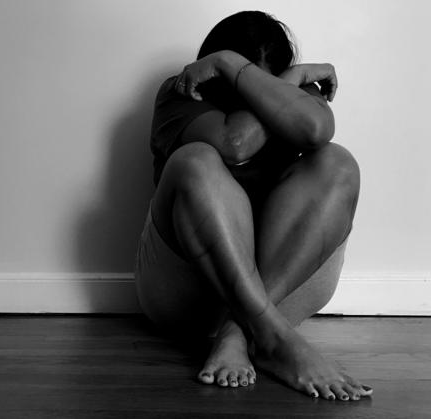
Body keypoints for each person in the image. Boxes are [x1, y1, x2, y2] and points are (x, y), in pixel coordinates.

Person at [135, 11, 373, 401]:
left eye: (263, 81)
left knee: (337, 162)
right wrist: (252, 71)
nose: (251, 90)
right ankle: (274, 338)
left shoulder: (298, 94)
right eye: (238, 78)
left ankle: (241, 332)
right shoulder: (182, 90)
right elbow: (236, 144)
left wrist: (274, 81)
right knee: (195, 160)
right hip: (185, 292)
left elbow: (316, 130)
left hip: (284, 285)